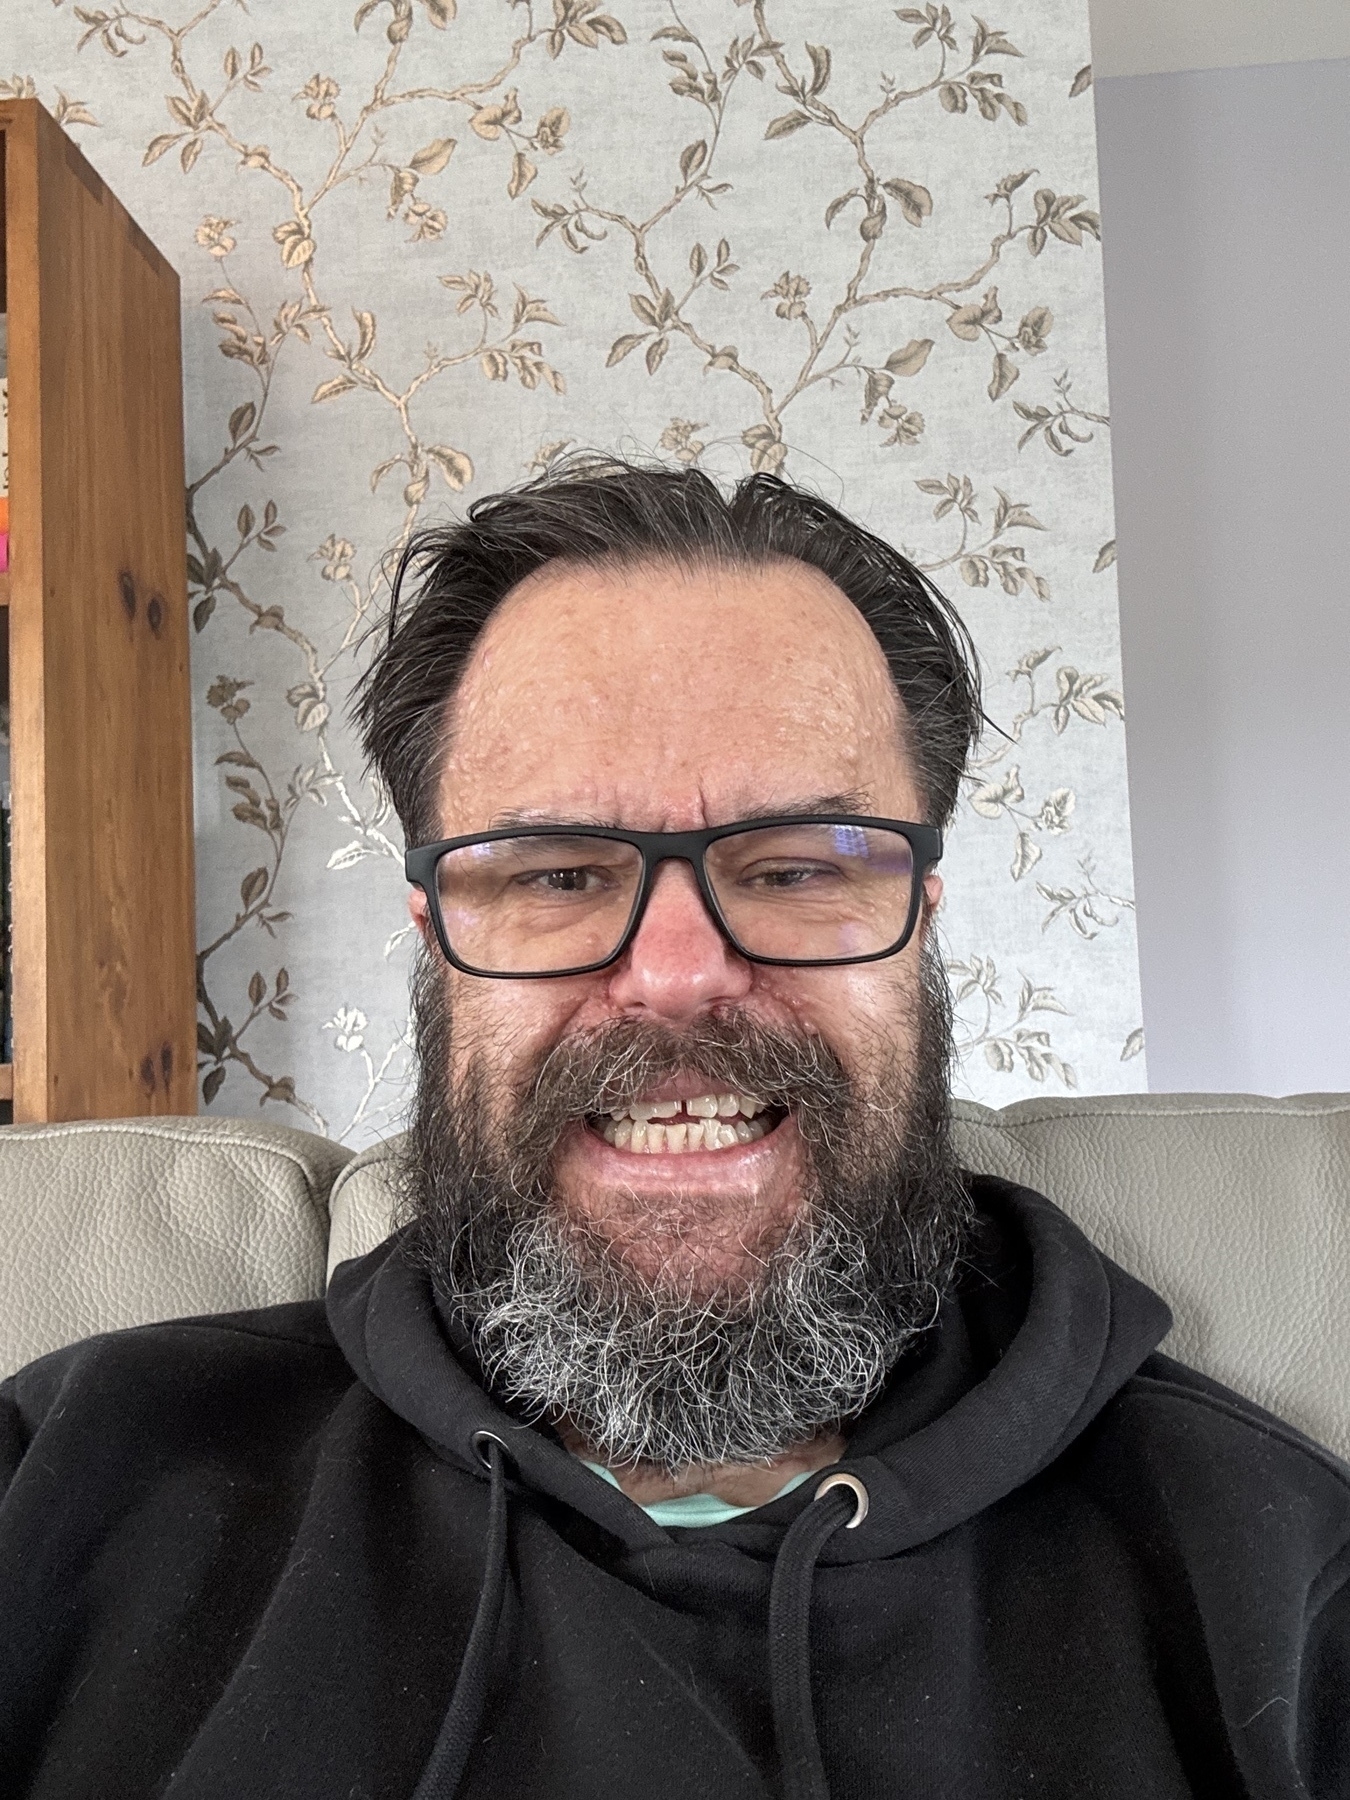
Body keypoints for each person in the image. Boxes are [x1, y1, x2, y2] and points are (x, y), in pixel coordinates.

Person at [1, 460, 1346, 1800]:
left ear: (922, 921)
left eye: (798, 866)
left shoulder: (1277, 1571)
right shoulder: (66, 1482)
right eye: (560, 875)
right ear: (435, 942)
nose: (677, 973)